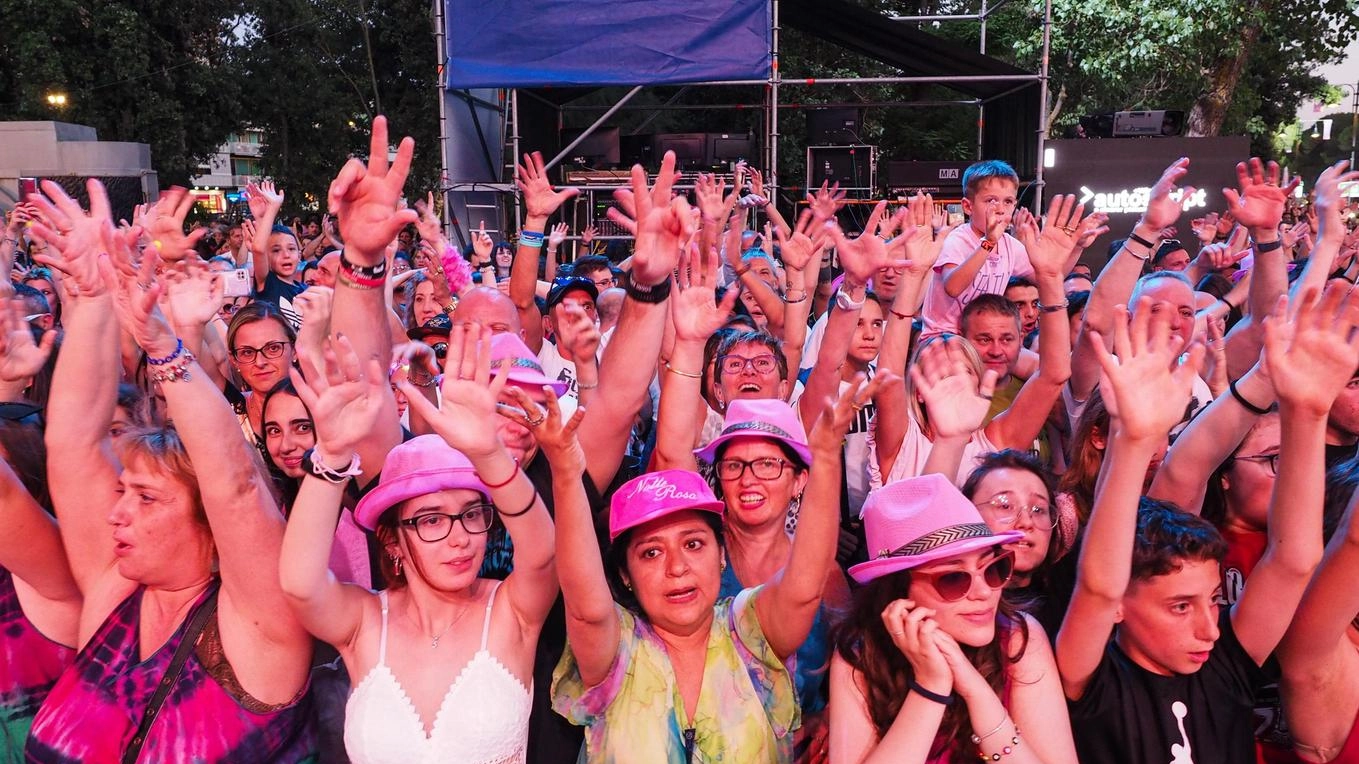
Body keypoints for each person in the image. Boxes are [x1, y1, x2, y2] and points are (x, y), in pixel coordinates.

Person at [28, 178, 317, 762]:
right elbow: (74, 444)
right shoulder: (117, 590)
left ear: (209, 525)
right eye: (125, 491)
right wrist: (90, 299)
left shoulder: (259, 629)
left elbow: (235, 487)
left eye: (147, 498)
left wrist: (163, 345)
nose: (117, 511)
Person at [1057, 286, 1347, 763]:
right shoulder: (1089, 680)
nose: (1210, 630)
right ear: (1119, 607)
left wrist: (1309, 413)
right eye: (1179, 607)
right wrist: (1133, 440)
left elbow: (1294, 558)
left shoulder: (1224, 666)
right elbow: (1099, 585)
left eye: (1211, 601)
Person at [550, 375, 871, 763]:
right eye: (651, 553)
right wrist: (567, 475)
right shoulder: (617, 651)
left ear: (720, 554)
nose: (677, 567)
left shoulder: (750, 634)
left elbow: (804, 586)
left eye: (693, 544)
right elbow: (585, 605)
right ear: (624, 576)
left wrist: (823, 458)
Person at [280, 324, 557, 763]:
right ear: (392, 540)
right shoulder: (365, 621)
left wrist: (490, 456)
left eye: (471, 513)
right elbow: (299, 584)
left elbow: (542, 554)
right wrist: (331, 455)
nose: (460, 537)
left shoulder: (510, 611)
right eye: (431, 520)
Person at [829, 473, 1078, 763]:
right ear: (899, 594)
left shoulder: (1017, 637)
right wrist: (931, 686)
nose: (984, 592)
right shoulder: (861, 653)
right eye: (953, 578)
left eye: (994, 568)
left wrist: (976, 693)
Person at [919, 160, 1031, 338]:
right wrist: (988, 242)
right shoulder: (958, 239)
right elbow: (953, 287)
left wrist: (1076, 248)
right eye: (991, 200)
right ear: (968, 206)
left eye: (1008, 201)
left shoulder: (1010, 245)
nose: (1000, 209)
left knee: (1032, 361)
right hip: (944, 335)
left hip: (983, 337)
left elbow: (1046, 277)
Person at [226, 300, 298, 442]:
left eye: (273, 348)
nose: (260, 362)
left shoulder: (319, 406)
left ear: (294, 350)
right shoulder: (228, 413)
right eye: (247, 352)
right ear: (234, 360)